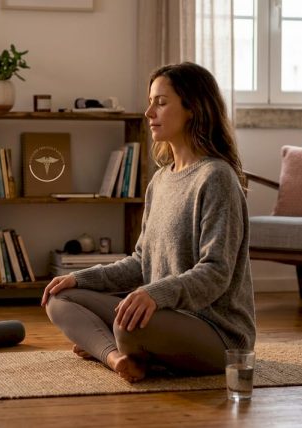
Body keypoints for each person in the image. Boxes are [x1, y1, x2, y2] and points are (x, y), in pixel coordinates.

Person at [41, 62, 256, 383]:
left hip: (217, 332)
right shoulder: (159, 181)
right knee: (60, 299)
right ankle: (118, 359)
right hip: (164, 318)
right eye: (150, 101)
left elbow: (216, 272)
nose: (148, 112)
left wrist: (154, 295)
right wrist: (79, 278)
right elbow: (141, 263)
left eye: (161, 102)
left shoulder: (217, 177)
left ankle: (109, 346)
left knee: (127, 324)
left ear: (192, 109)